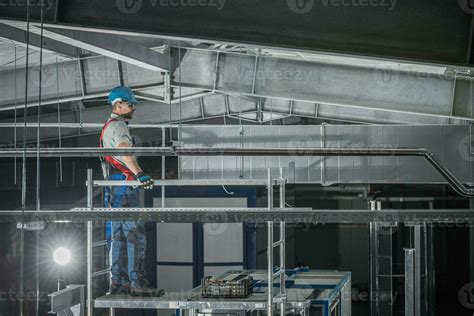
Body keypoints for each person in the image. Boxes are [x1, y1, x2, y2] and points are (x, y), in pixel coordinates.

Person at [99, 86, 160, 297]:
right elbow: (125, 151)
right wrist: (140, 174)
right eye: (130, 103)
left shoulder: (109, 127)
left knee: (118, 236)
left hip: (113, 187)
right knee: (135, 236)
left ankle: (118, 282)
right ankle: (136, 282)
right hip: (125, 185)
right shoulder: (119, 127)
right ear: (118, 104)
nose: (133, 107)